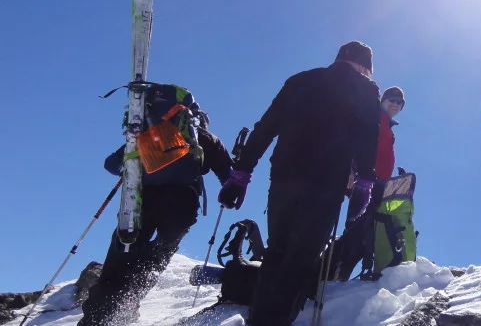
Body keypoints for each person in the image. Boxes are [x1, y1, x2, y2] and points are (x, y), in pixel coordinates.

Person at [217, 41, 380, 326]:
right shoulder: (367, 90)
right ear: (364, 67)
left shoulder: (300, 80)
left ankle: (259, 320)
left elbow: (265, 128)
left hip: (283, 177)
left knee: (277, 251)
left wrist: (240, 175)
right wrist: (364, 184)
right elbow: (368, 139)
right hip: (327, 183)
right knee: (300, 257)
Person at [79, 111, 233, 326]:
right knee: (157, 257)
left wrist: (134, 161)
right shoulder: (206, 139)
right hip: (182, 206)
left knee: (119, 260)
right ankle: (127, 305)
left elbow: (111, 165)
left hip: (141, 204)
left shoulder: (149, 135)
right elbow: (229, 176)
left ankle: (97, 319)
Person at [330, 86, 406, 281]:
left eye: (400, 102)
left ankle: (342, 273)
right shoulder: (374, 119)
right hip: (364, 181)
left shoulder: (388, 125)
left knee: (368, 228)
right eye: (392, 100)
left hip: (379, 184)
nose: (396, 104)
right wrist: (351, 170)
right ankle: (337, 274)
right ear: (383, 100)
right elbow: (358, 144)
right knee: (356, 228)